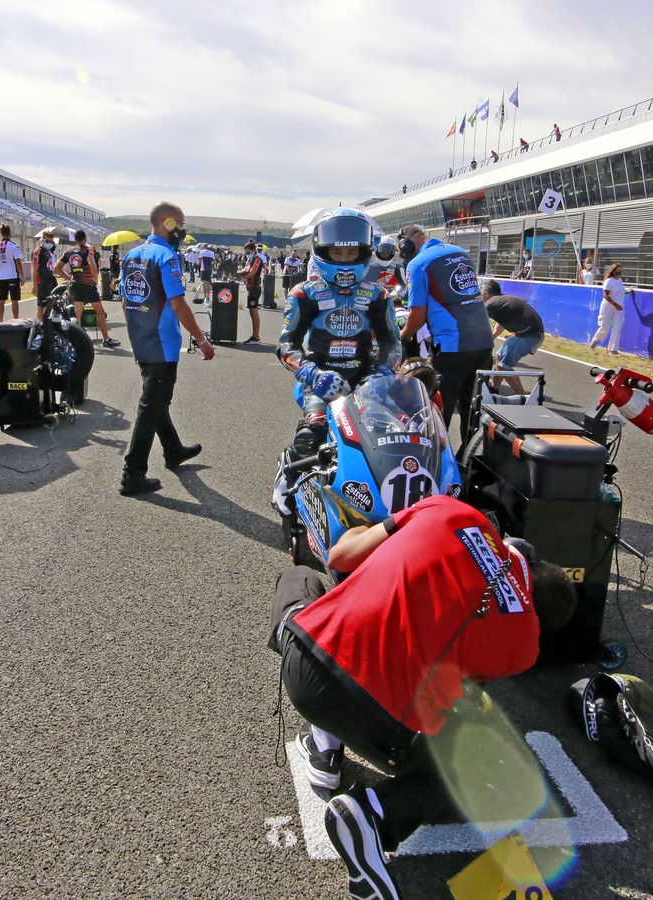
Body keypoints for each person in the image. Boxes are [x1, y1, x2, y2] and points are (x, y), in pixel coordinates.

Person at [269, 495, 575, 900]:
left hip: (307, 665)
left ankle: (325, 745)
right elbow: (459, 696)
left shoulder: (452, 510)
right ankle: (375, 813)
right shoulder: (525, 646)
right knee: (470, 755)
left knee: (299, 579)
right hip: (381, 723)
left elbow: (342, 555)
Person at [273, 209, 397, 512]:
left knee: (387, 436)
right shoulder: (305, 294)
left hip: (366, 380)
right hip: (321, 381)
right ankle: (288, 479)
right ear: (323, 250)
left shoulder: (378, 295)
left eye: (351, 251)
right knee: (312, 432)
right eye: (337, 252)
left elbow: (392, 343)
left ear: (364, 251)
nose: (343, 259)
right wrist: (313, 375)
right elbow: (285, 345)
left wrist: (382, 372)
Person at [117, 202, 212, 496]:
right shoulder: (167, 257)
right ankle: (132, 473)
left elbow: (127, 302)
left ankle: (173, 450)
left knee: (155, 400)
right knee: (151, 405)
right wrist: (201, 338)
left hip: (144, 339)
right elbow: (179, 304)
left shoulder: (131, 255)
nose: (182, 231)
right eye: (180, 225)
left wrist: (135, 341)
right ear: (168, 223)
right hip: (162, 343)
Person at [397, 224, 493, 442]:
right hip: (484, 341)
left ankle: (439, 461)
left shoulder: (418, 264)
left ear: (406, 244)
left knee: (439, 408)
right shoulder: (460, 252)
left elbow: (417, 315)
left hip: (453, 346)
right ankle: (470, 461)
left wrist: (400, 337)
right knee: (474, 408)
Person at [55, 229, 120, 348]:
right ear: (85, 238)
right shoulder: (87, 249)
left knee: (78, 312)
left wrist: (68, 278)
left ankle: (78, 339)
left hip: (75, 284)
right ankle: (106, 338)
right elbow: (92, 264)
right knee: (99, 311)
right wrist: (94, 279)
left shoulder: (69, 251)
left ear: (75, 239)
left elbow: (57, 268)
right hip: (87, 284)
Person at [484, 279, 543, 395]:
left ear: (486, 293)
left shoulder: (490, 304)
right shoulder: (502, 301)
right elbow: (502, 321)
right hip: (533, 332)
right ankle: (494, 390)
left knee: (504, 366)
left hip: (529, 335)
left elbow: (475, 321)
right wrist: (493, 336)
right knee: (500, 357)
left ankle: (523, 398)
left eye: (481, 291)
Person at [0, 223, 25, 321]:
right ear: (10, 234)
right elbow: (18, 261)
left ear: (1, 234)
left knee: (1, 300)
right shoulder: (14, 246)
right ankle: (16, 320)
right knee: (14, 300)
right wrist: (22, 276)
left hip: (1, 276)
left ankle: (1, 320)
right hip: (13, 276)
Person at [591, 263, 628, 354]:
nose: (620, 272)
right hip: (608, 306)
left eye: (621, 270)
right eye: (618, 270)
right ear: (614, 270)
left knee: (617, 326)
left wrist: (627, 292)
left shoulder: (620, 280)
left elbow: (620, 292)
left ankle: (613, 349)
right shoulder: (609, 281)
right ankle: (595, 340)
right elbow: (606, 295)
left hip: (619, 308)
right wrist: (615, 305)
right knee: (605, 327)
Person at [243, 241, 267, 343]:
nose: (247, 254)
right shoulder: (250, 260)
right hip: (250, 289)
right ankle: (254, 336)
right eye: (246, 252)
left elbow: (251, 273)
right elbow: (245, 270)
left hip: (255, 288)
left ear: (253, 250)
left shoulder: (257, 259)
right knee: (252, 313)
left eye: (248, 252)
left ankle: (256, 337)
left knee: (254, 312)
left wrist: (239, 276)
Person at [32, 232, 58, 308]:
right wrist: (35, 285)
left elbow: (52, 266)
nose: (49, 243)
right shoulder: (38, 251)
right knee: (42, 306)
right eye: (47, 241)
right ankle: (40, 320)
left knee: (53, 303)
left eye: (51, 241)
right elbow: (34, 269)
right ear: (42, 240)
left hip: (51, 280)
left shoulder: (50, 252)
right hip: (42, 282)